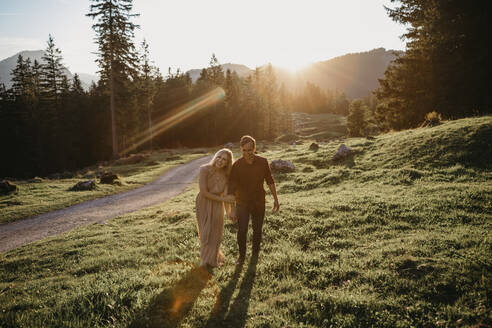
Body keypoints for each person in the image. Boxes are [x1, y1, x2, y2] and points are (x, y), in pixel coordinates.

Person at [228, 135, 280, 265]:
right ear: (241, 149)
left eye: (249, 150)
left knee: (257, 230)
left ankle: (255, 255)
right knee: (242, 230)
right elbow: (231, 190)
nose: (247, 153)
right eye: (244, 150)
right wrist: (232, 209)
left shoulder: (263, 162)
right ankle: (241, 257)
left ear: (254, 148)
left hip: (259, 202)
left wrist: (276, 199)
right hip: (242, 203)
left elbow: (270, 181)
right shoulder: (237, 165)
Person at [195, 149, 236, 269]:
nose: (220, 161)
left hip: (218, 204)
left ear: (227, 163)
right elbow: (204, 192)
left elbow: (228, 195)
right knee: (206, 232)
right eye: (219, 157)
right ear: (215, 156)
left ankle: (213, 260)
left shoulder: (227, 174)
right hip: (204, 203)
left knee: (216, 232)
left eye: (224, 160)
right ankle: (205, 260)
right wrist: (224, 200)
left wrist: (231, 211)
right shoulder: (204, 169)